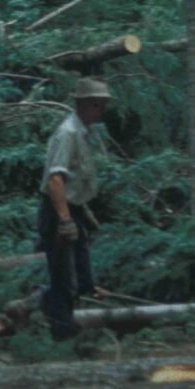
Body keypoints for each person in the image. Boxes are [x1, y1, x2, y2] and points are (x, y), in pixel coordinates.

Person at [37, 76, 111, 340]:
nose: (102, 110)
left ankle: (53, 313)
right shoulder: (68, 133)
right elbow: (55, 180)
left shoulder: (82, 132)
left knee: (81, 276)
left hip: (72, 209)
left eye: (103, 105)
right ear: (85, 104)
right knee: (64, 279)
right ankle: (62, 336)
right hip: (59, 212)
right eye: (98, 105)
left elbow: (74, 179)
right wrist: (66, 221)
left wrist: (82, 212)